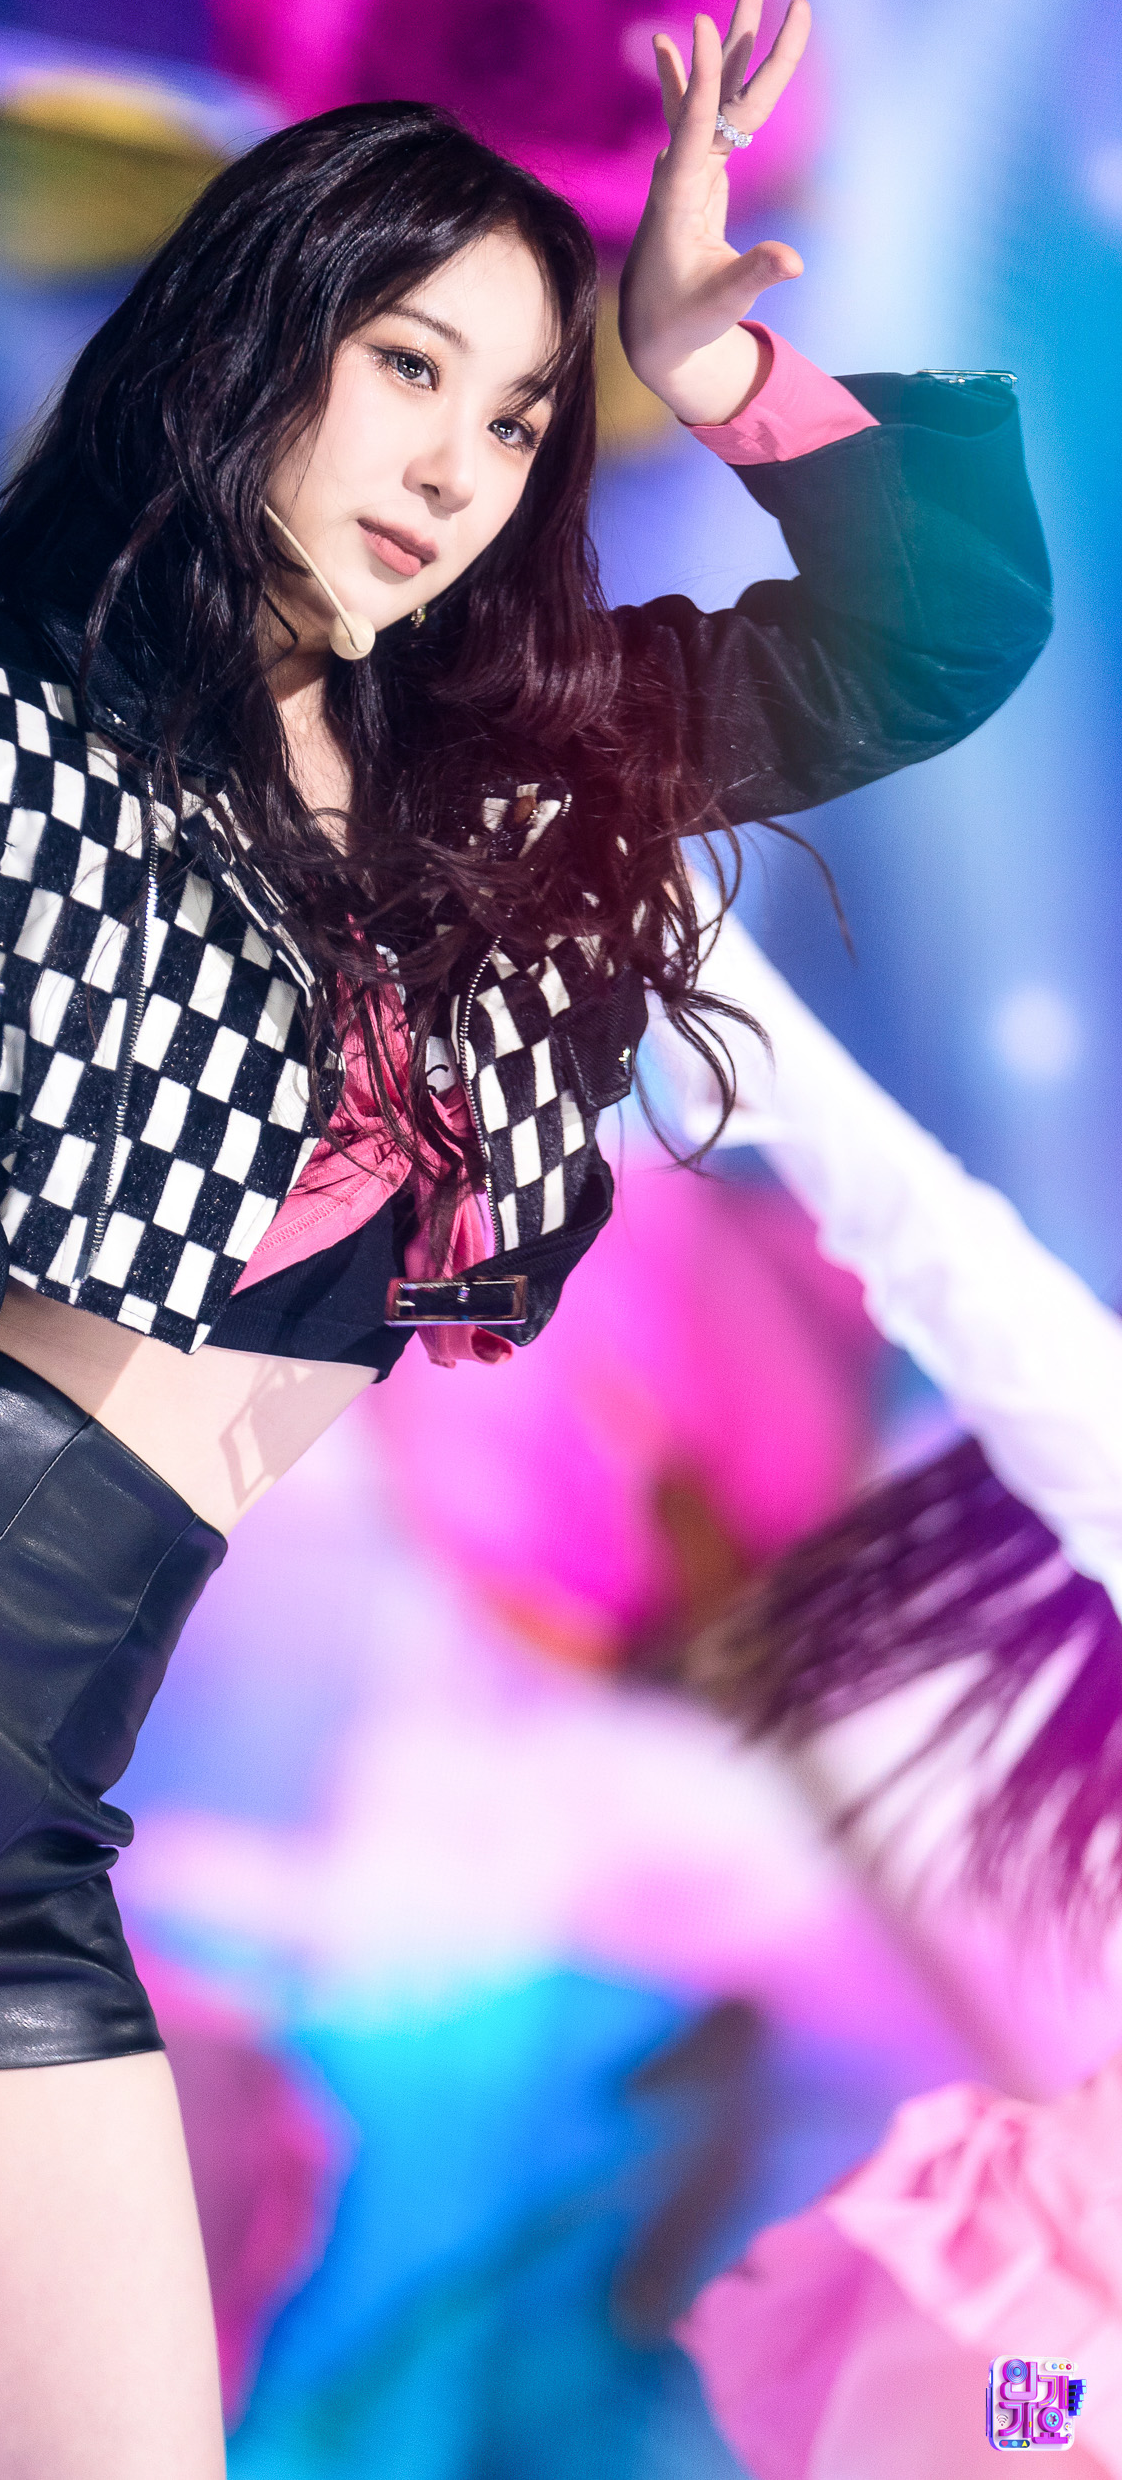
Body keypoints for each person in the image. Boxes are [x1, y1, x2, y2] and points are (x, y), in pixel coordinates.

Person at [0, 0, 1052, 2479]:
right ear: (255, 351)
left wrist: (710, 362)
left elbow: (950, 617)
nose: (456, 464)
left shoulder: (503, 784)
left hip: (35, 1780)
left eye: (518, 412)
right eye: (405, 366)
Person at [633, 907, 1122, 2480]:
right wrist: (673, 936)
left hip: (1066, 2318)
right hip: (1066, 2332)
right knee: (1022, 2435)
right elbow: (941, 1251)